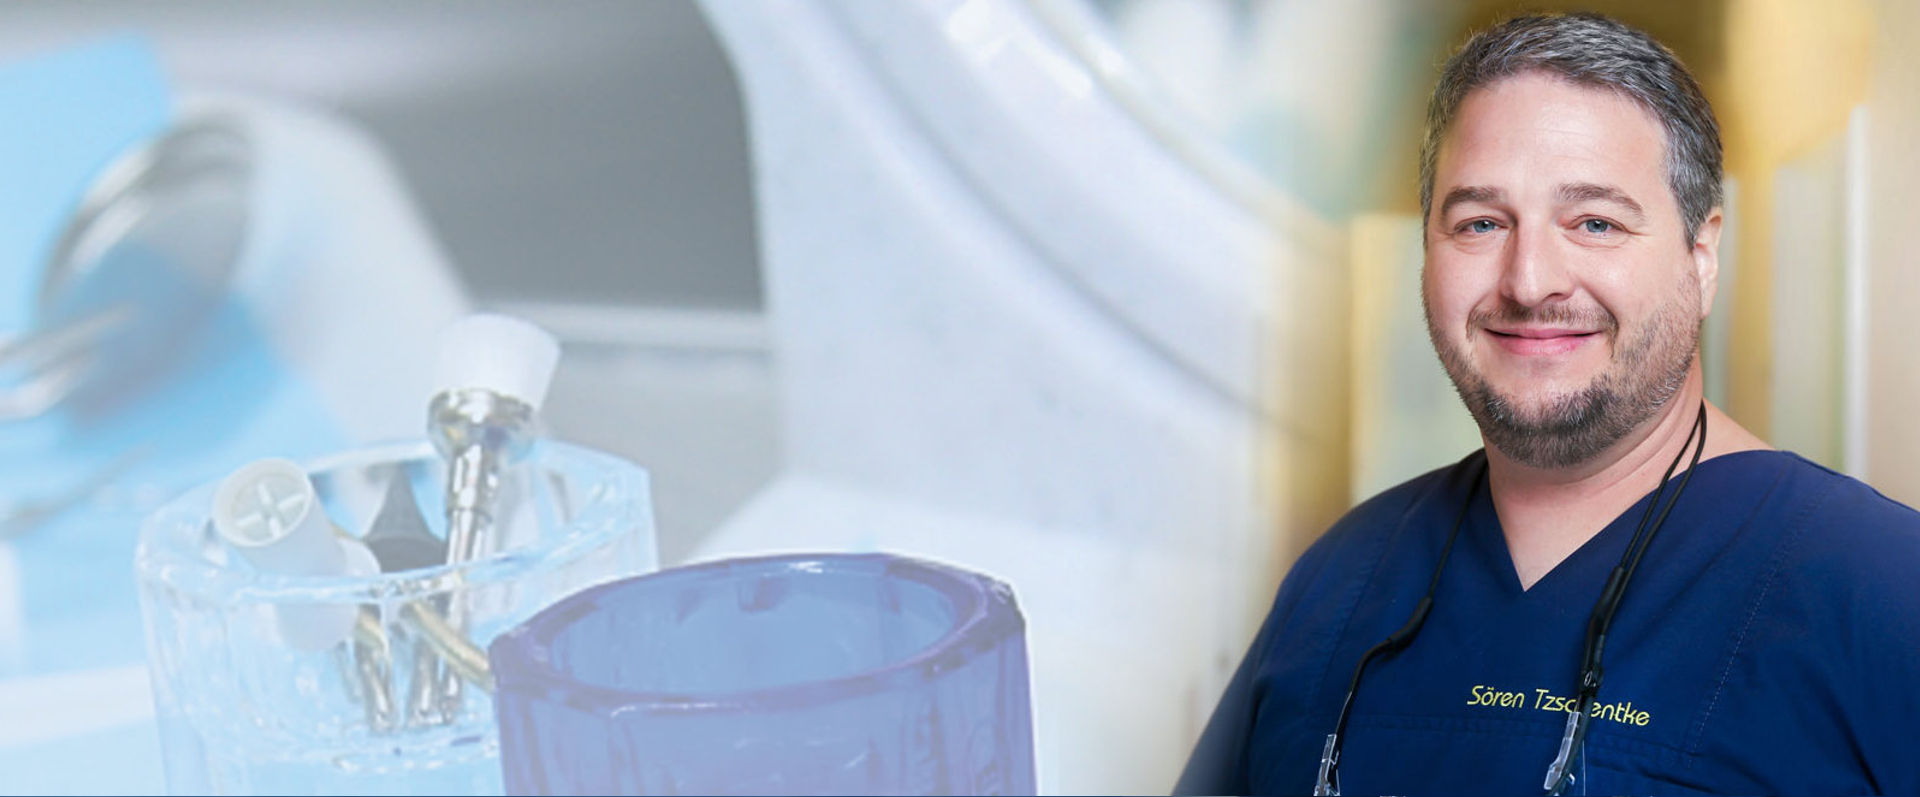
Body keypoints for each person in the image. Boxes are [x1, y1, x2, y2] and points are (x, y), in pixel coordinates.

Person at [1176, 12, 1920, 796]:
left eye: (1595, 222)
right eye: (1481, 222)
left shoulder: (1881, 585)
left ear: (1700, 256)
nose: (1529, 281)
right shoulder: (1339, 580)